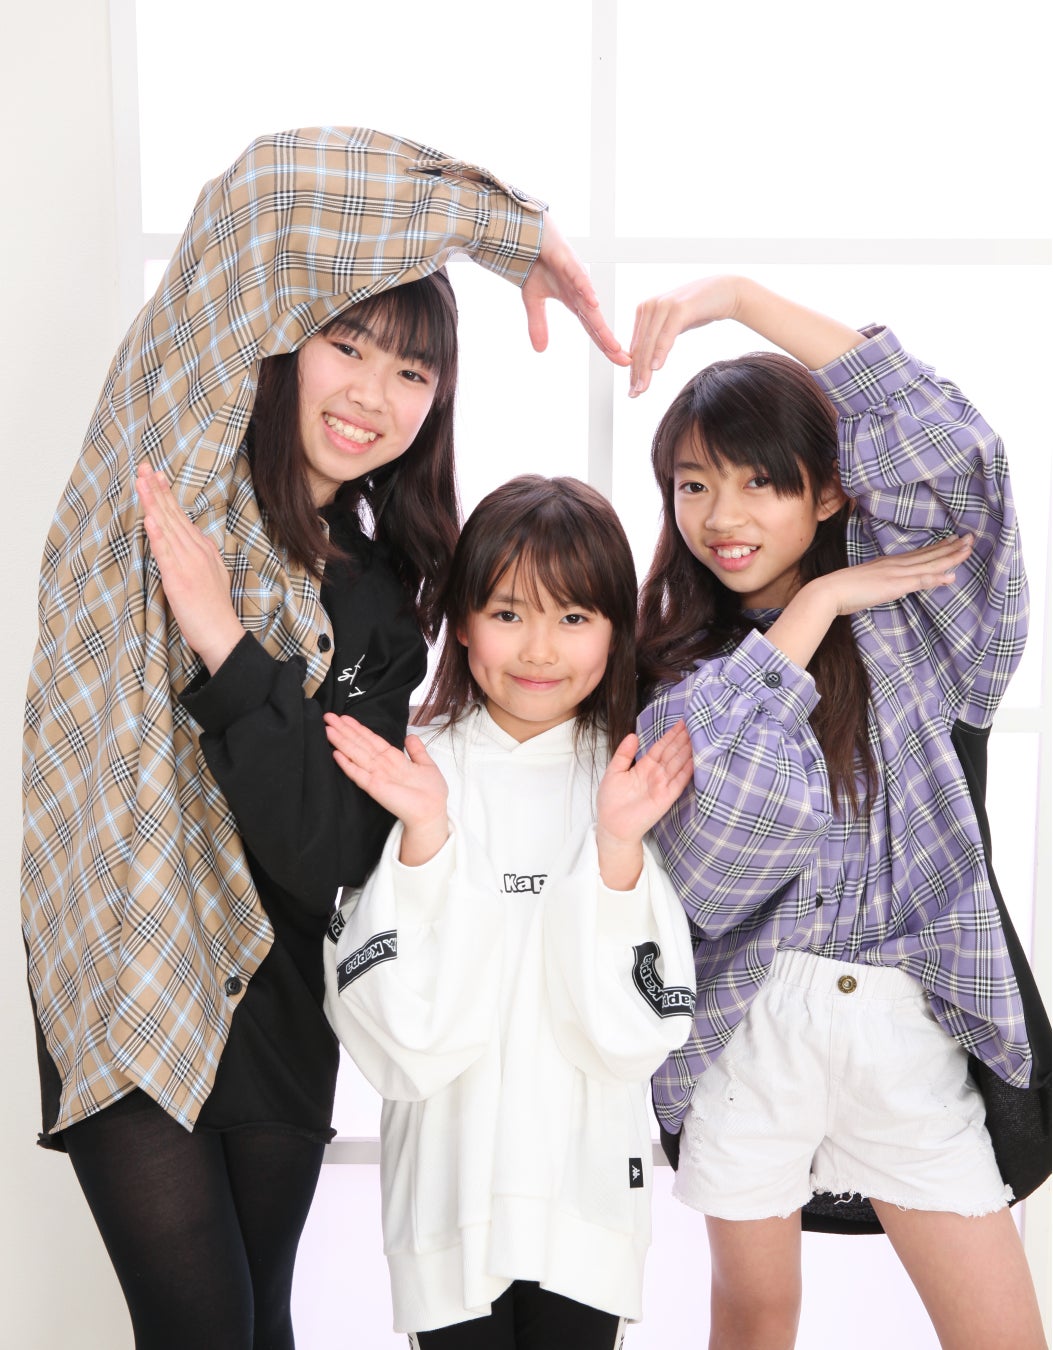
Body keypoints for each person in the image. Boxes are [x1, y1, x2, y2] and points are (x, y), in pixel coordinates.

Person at [21, 126, 628, 1350]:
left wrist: (227, 647)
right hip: (133, 958)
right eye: (345, 345)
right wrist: (512, 235)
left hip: (283, 1001)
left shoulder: (381, 599)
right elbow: (264, 192)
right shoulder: (166, 475)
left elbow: (326, 854)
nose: (371, 395)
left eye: (412, 373)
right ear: (284, 340)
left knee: (264, 1328)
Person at [630, 276, 1049, 1350]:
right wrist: (813, 608)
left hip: (903, 1021)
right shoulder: (678, 669)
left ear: (826, 495)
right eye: (692, 485)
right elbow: (722, 862)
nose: (721, 517)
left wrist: (737, 298)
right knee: (754, 1322)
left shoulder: (917, 627)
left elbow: (952, 453)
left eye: (760, 481)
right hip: (750, 1028)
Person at [321, 475, 697, 1348]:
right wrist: (426, 834)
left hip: (586, 1200)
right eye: (507, 613)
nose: (538, 649)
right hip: (445, 1198)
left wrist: (615, 848)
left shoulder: (636, 776)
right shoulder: (410, 765)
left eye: (573, 617)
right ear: (461, 620)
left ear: (616, 629)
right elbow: (396, 1037)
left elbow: (634, 1036)